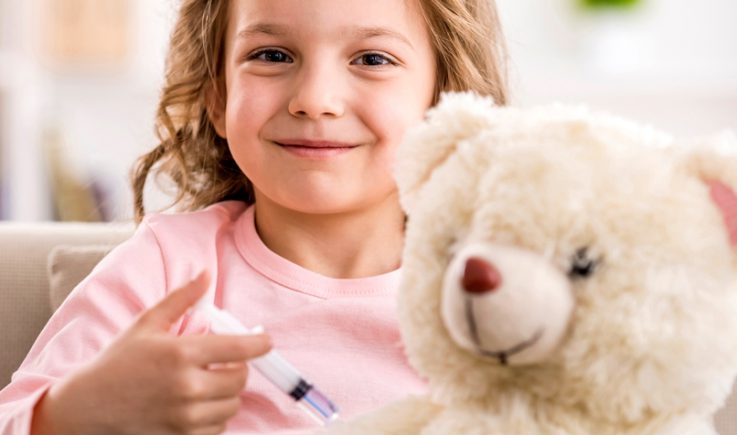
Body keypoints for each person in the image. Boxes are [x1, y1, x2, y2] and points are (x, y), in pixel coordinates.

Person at [0, 0, 507, 433]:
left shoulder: (497, 289)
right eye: (271, 55)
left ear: (445, 100)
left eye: (372, 58)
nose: (314, 100)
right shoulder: (168, 270)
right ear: (217, 97)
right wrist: (80, 412)